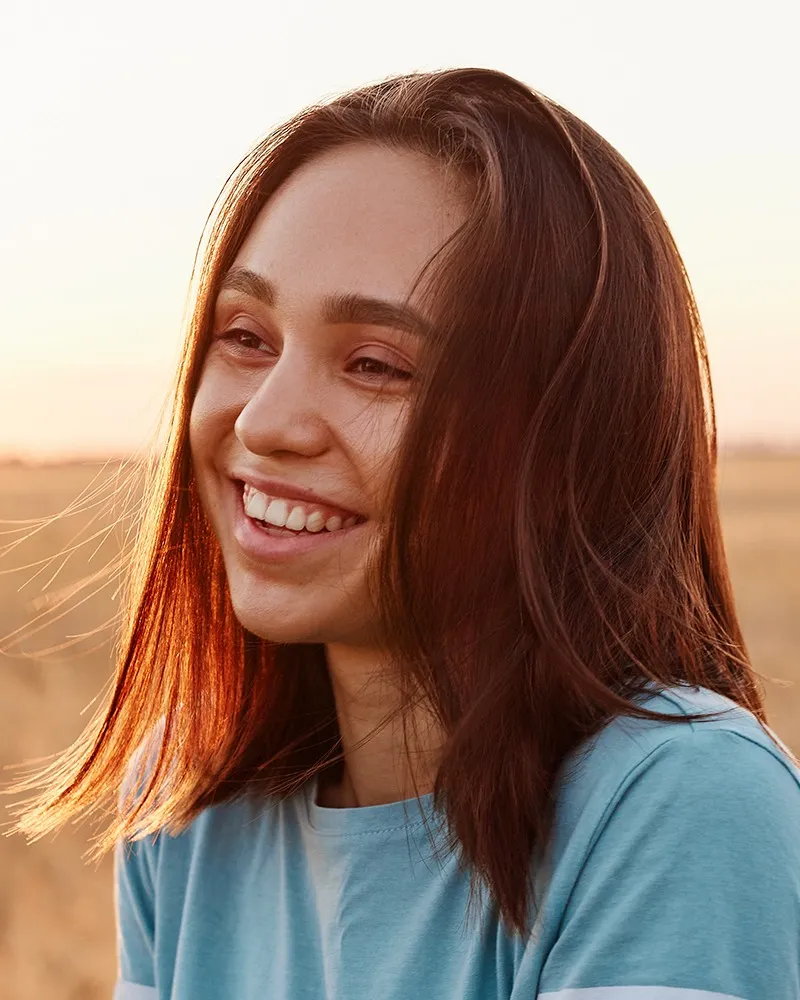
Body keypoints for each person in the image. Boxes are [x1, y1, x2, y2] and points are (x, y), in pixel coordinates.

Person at [9, 68, 800, 1000]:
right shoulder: (185, 809)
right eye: (246, 336)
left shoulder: (679, 803)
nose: (264, 422)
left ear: (563, 441)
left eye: (376, 364)